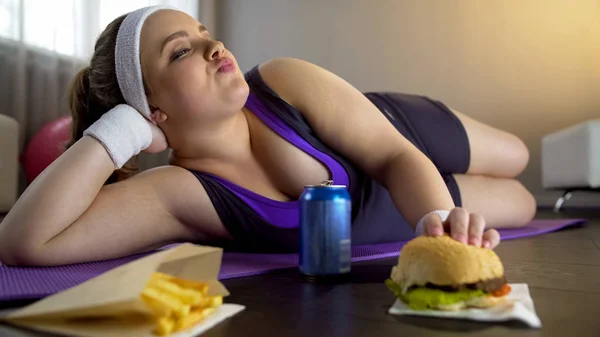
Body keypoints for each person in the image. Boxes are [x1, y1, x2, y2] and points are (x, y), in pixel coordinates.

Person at [0, 6, 536, 267]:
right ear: (151, 112)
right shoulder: (180, 193)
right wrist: (118, 131)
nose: (214, 47)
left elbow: (395, 154)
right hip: (379, 213)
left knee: (516, 154)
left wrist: (434, 220)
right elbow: (23, 244)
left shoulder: (282, 78)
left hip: (391, 136)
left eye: (203, 33)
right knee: (523, 202)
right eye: (180, 51)